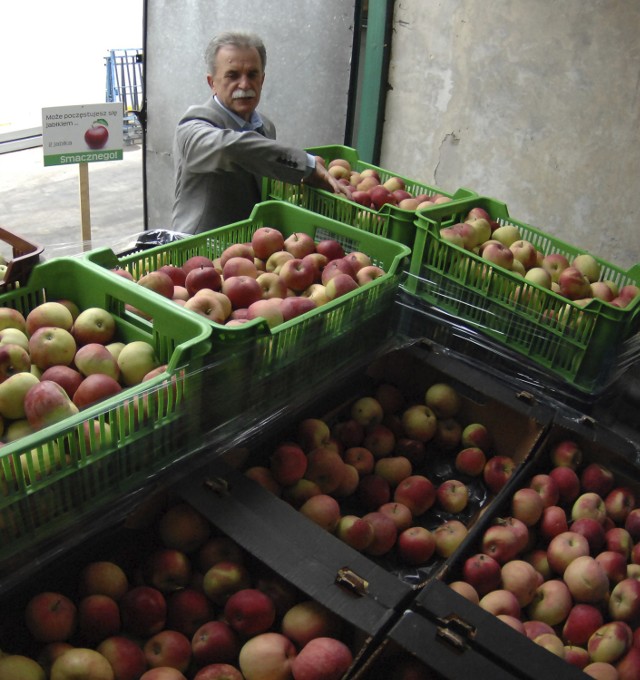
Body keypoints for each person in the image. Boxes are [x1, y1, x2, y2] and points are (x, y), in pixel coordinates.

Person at [171, 31, 348, 235]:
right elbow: (229, 148)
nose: (245, 85)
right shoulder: (193, 125)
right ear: (212, 83)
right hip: (199, 251)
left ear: (262, 79)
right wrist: (304, 165)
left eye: (252, 74)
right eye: (232, 75)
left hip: (248, 251)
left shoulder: (266, 126)